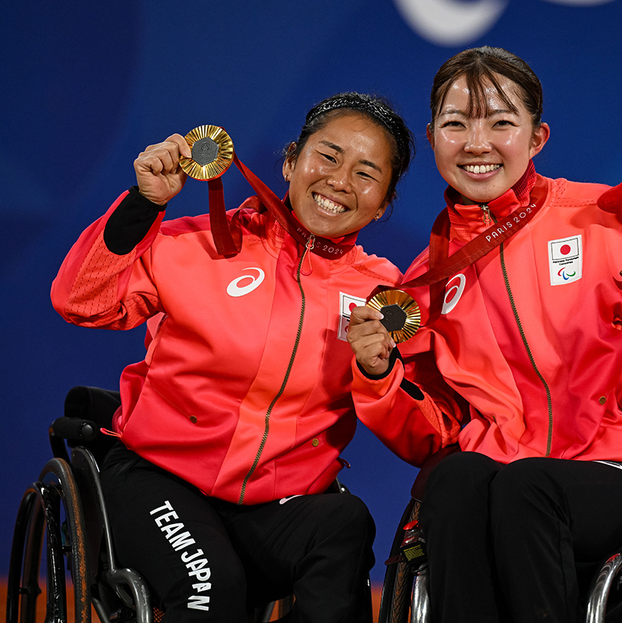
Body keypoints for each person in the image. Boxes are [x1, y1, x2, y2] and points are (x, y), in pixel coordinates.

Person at [347, 47, 622, 622]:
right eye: (456, 123)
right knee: (453, 479)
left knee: (526, 487)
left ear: (537, 138)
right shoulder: (425, 283)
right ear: (434, 135)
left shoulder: (611, 221)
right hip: (506, 471)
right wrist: (378, 375)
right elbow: (431, 435)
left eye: (501, 123)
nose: (476, 143)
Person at [51, 92, 415, 623]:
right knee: (211, 588)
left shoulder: (385, 293)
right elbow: (80, 302)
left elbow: (407, 422)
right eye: (329, 156)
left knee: (345, 523)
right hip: (161, 479)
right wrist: (144, 204)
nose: (340, 181)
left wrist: (377, 371)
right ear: (292, 161)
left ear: (383, 202)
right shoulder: (195, 245)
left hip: (277, 504)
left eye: (366, 173)